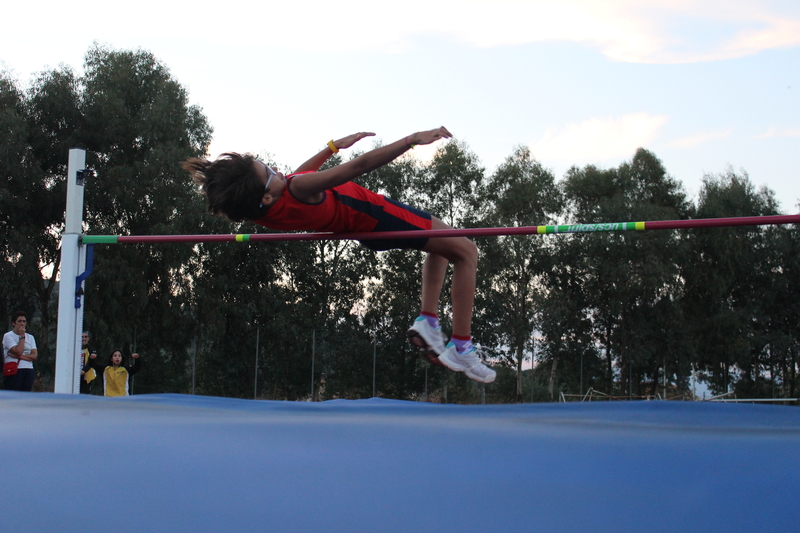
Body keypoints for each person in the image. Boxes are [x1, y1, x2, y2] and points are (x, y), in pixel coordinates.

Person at [182, 127, 495, 383]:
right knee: (466, 251)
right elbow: (357, 167)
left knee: (442, 243)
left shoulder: (263, 209)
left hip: (366, 226)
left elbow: (297, 178)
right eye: (268, 170)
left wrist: (331, 147)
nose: (275, 168)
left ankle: (428, 319)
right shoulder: (297, 190)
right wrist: (411, 140)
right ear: (266, 193)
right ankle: (462, 346)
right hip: (377, 214)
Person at [2, 310, 37, 391]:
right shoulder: (8, 336)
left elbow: (34, 356)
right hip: (14, 370)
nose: (22, 324)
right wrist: (21, 336)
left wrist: (19, 357)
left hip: (28, 369)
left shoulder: (30, 337)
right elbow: (18, 351)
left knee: (26, 395)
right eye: (19, 321)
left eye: (24, 321)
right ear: (13, 323)